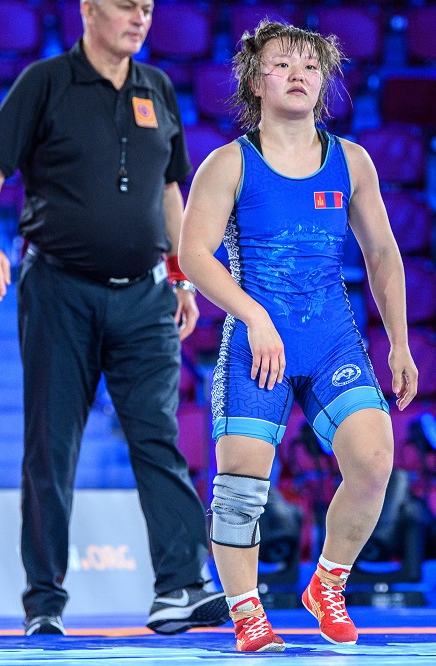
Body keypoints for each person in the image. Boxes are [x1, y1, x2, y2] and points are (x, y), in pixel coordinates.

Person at [0, 0, 227, 636]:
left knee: (159, 436)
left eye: (148, 8)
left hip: (145, 296)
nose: (140, 18)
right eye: (126, 6)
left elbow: (170, 189)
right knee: (52, 446)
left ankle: (180, 587)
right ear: (88, 10)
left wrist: (181, 275)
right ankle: (44, 602)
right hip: (59, 289)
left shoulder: (157, 87)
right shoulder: (46, 82)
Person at [178, 21, 419, 653]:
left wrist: (399, 342)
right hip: (258, 345)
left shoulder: (351, 161)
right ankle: (247, 613)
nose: (298, 75)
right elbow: (194, 255)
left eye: (310, 67)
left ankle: (328, 582)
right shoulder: (229, 163)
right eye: (283, 64)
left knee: (375, 461)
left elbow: (383, 254)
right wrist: (254, 317)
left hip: (331, 339)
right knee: (240, 485)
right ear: (255, 82)